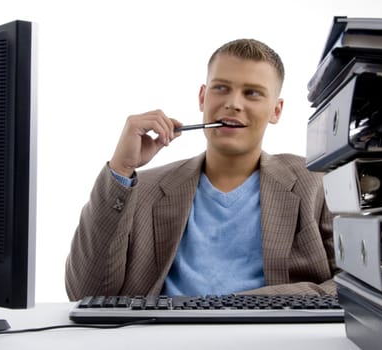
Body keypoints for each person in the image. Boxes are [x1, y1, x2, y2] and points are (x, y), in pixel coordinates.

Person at [65, 38, 338, 300]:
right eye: (221, 88)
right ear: (202, 98)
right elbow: (85, 293)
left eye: (252, 93)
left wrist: (246, 304)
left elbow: (355, 285)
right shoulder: (142, 191)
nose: (233, 103)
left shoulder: (315, 182)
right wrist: (121, 168)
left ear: (276, 111)